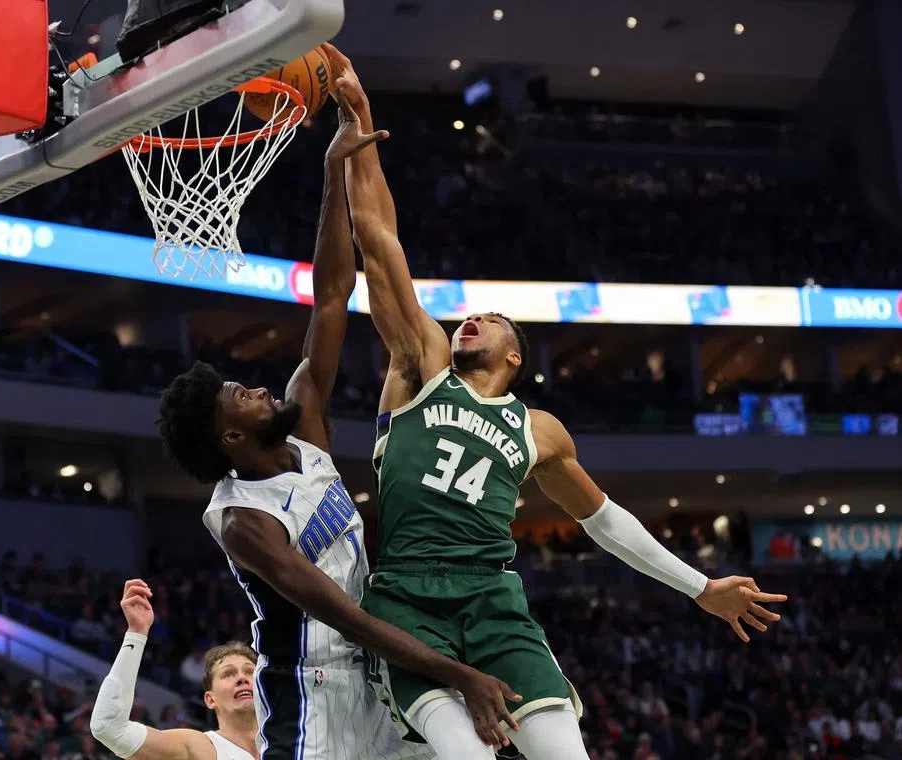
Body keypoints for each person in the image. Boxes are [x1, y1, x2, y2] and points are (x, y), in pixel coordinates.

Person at [324, 46, 789, 760]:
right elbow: (379, 242)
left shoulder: (538, 429)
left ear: (515, 357)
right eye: (465, 317)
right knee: (464, 754)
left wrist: (699, 587)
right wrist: (361, 124)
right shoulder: (420, 369)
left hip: (493, 599)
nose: (468, 319)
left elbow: (605, 521)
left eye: (490, 320)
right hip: (407, 598)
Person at [153, 61, 519, 760]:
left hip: (378, 679)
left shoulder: (307, 425)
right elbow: (346, 616)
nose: (258, 389)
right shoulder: (244, 522)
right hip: (312, 703)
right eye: (242, 396)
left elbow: (329, 298)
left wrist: (332, 171)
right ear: (232, 436)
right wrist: (457, 674)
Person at [91, 579, 260, 760]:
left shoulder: (288, 741)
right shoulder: (201, 747)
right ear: (210, 699)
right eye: (228, 674)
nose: (242, 678)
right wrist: (136, 632)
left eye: (250, 672)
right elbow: (109, 727)